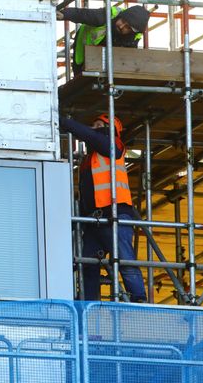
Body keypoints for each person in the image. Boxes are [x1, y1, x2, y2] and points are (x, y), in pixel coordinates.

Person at [60, 114, 147, 303]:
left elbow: (92, 137)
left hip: (116, 214)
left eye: (98, 125)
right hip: (94, 221)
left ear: (110, 130)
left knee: (124, 260)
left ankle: (138, 299)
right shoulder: (89, 160)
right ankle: (86, 301)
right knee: (86, 263)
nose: (93, 128)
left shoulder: (114, 146)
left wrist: (66, 122)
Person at [57, 5, 150, 75]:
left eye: (127, 27)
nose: (121, 26)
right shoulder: (106, 15)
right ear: (122, 16)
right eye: (123, 21)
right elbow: (84, 14)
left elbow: (127, 61)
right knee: (81, 77)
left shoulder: (134, 37)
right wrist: (65, 14)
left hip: (105, 56)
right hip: (84, 51)